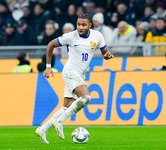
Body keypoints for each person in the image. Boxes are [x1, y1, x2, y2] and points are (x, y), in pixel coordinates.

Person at [35, 13, 114, 144]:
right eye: (78, 24)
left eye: (83, 25)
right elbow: (50, 45)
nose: (80, 27)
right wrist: (48, 67)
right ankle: (59, 121)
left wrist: (107, 55)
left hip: (80, 74)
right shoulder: (71, 37)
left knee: (66, 107)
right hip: (70, 72)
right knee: (86, 98)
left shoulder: (98, 36)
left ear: (90, 25)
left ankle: (43, 129)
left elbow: (104, 52)